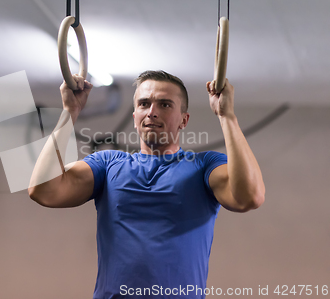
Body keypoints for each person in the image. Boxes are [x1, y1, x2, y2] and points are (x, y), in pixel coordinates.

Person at [28, 70, 265, 299]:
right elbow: (43, 190)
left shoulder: (204, 166)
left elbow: (250, 197)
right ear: (135, 118)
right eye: (144, 104)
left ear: (184, 119)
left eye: (164, 104)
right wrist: (70, 112)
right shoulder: (108, 164)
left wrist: (227, 117)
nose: (152, 112)